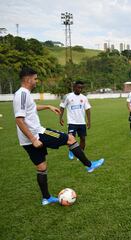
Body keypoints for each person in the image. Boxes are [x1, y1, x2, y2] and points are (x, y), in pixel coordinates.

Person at [13, 67, 104, 206]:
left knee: (42, 167)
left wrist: (48, 106)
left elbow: (31, 108)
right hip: (38, 134)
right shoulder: (23, 94)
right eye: (35, 78)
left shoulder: (23, 94)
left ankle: (46, 198)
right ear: (28, 79)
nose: (36, 81)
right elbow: (19, 119)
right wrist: (33, 139)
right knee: (70, 138)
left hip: (25, 140)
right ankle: (89, 165)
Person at [59, 81, 91, 160]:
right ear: (74, 87)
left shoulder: (84, 98)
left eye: (81, 88)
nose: (80, 89)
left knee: (83, 139)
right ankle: (71, 150)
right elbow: (62, 107)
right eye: (78, 87)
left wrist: (89, 121)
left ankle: (81, 154)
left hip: (82, 123)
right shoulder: (67, 96)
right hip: (72, 122)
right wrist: (60, 118)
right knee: (71, 139)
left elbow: (88, 109)